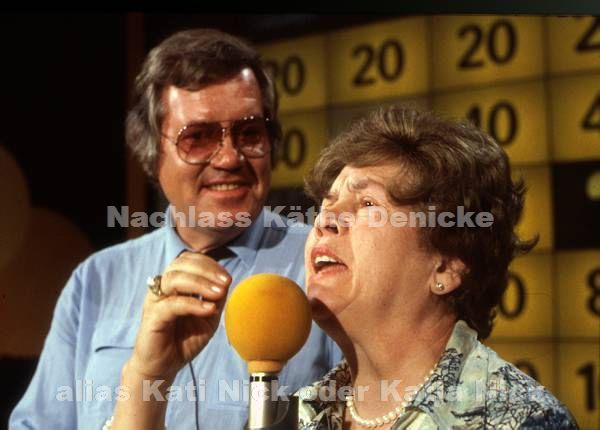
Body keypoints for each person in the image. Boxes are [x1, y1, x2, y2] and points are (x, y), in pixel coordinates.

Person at [9, 29, 340, 430]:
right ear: (151, 152)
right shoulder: (95, 280)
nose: (229, 158)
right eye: (198, 138)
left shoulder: (325, 264)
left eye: (249, 133)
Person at [296, 106, 578, 429]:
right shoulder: (295, 416)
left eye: (368, 204)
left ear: (446, 266)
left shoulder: (523, 420)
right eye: (326, 204)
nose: (325, 220)